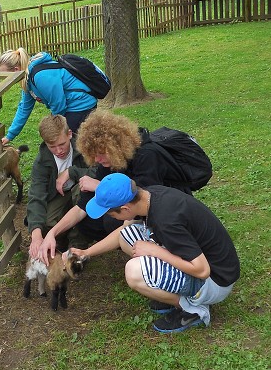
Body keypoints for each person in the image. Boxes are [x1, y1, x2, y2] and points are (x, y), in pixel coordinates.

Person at [69, 173, 240, 333]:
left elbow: (202, 270)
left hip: (216, 281)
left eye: (110, 213)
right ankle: (173, 290)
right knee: (127, 235)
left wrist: (156, 251)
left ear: (125, 208)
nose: (110, 217)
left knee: (133, 271)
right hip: (206, 263)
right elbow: (122, 231)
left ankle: (193, 309)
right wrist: (87, 252)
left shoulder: (166, 221)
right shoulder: (147, 196)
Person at [37, 110, 209, 264]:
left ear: (115, 146)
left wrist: (98, 186)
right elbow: (82, 206)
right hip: (136, 208)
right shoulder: (109, 160)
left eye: (100, 154)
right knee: (89, 220)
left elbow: (144, 204)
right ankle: (136, 245)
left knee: (113, 220)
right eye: (93, 155)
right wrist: (52, 233)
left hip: (168, 210)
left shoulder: (147, 156)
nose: (97, 160)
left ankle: (159, 256)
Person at [0, 48, 97, 144]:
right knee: (58, 143)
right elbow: (24, 108)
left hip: (81, 104)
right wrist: (9, 136)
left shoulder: (40, 76)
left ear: (16, 70)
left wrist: (55, 126)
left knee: (68, 144)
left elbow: (58, 104)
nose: (4, 80)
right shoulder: (27, 79)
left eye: (5, 76)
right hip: (69, 106)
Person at [26, 115, 92, 259]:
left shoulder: (84, 147)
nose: (58, 151)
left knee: (80, 191)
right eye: (52, 147)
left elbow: (98, 172)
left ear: (69, 134)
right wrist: (36, 235)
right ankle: (59, 241)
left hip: (83, 193)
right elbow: (36, 195)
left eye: (62, 144)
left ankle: (77, 245)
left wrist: (71, 172)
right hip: (59, 196)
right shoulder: (42, 162)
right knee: (48, 220)